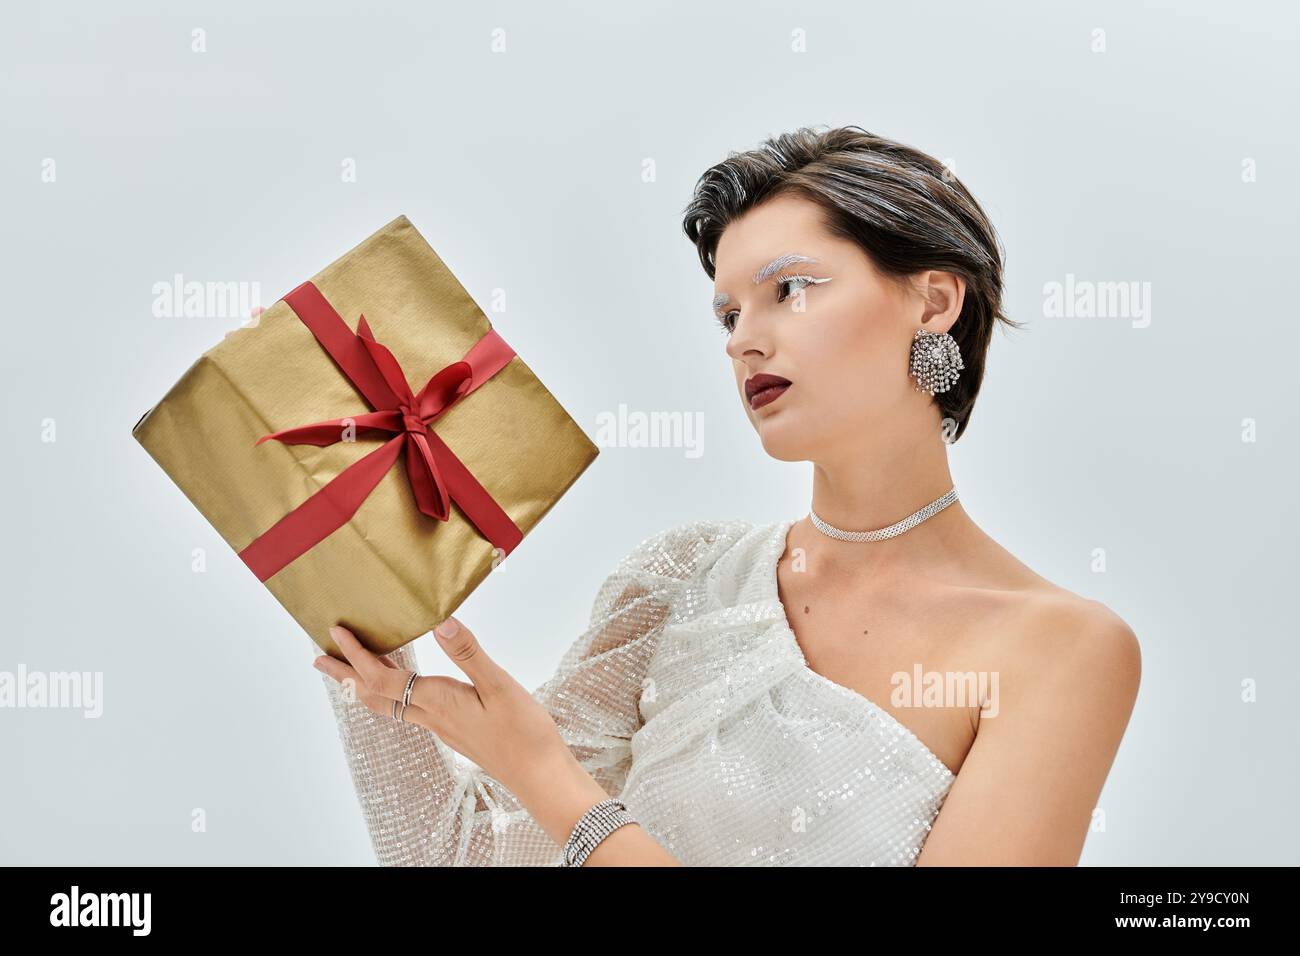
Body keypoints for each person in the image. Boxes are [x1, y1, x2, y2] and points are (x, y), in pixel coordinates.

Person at [313, 125, 1141, 866]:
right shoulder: (684, 578)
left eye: (791, 288)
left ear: (933, 300)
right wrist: (355, 596)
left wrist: (544, 775)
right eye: (728, 313)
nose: (744, 338)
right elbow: (453, 855)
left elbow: (556, 800)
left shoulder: (1059, 650)